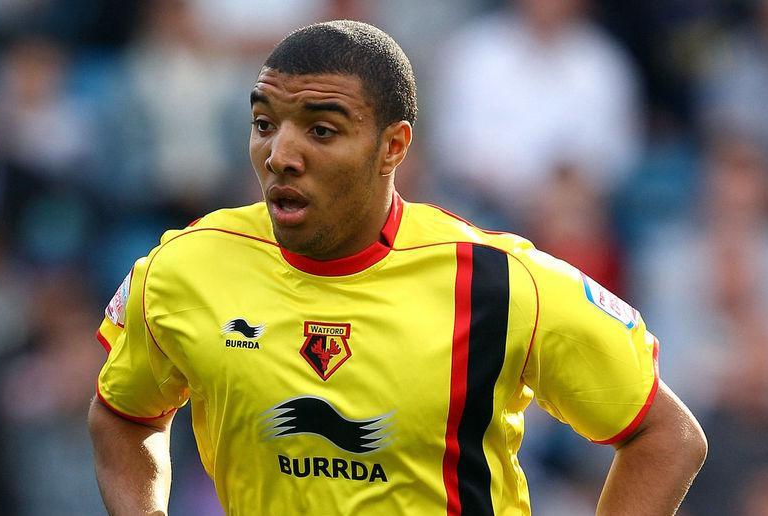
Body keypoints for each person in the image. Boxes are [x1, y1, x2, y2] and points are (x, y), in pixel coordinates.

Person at [88, 20, 706, 515]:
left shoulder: (499, 281)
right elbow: (122, 414)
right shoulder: (184, 269)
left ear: (394, 146)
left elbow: (664, 436)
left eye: (322, 130)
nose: (280, 155)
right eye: (263, 124)